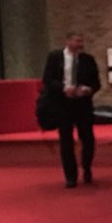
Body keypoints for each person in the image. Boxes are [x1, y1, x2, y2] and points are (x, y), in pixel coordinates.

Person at [41, 32, 100, 187]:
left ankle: (87, 167)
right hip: (63, 104)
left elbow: (96, 83)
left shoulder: (88, 59)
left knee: (88, 139)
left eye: (81, 41)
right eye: (77, 41)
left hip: (83, 104)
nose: (80, 44)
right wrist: (63, 88)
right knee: (66, 140)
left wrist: (87, 89)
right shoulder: (55, 57)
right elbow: (47, 80)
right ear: (67, 41)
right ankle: (70, 176)